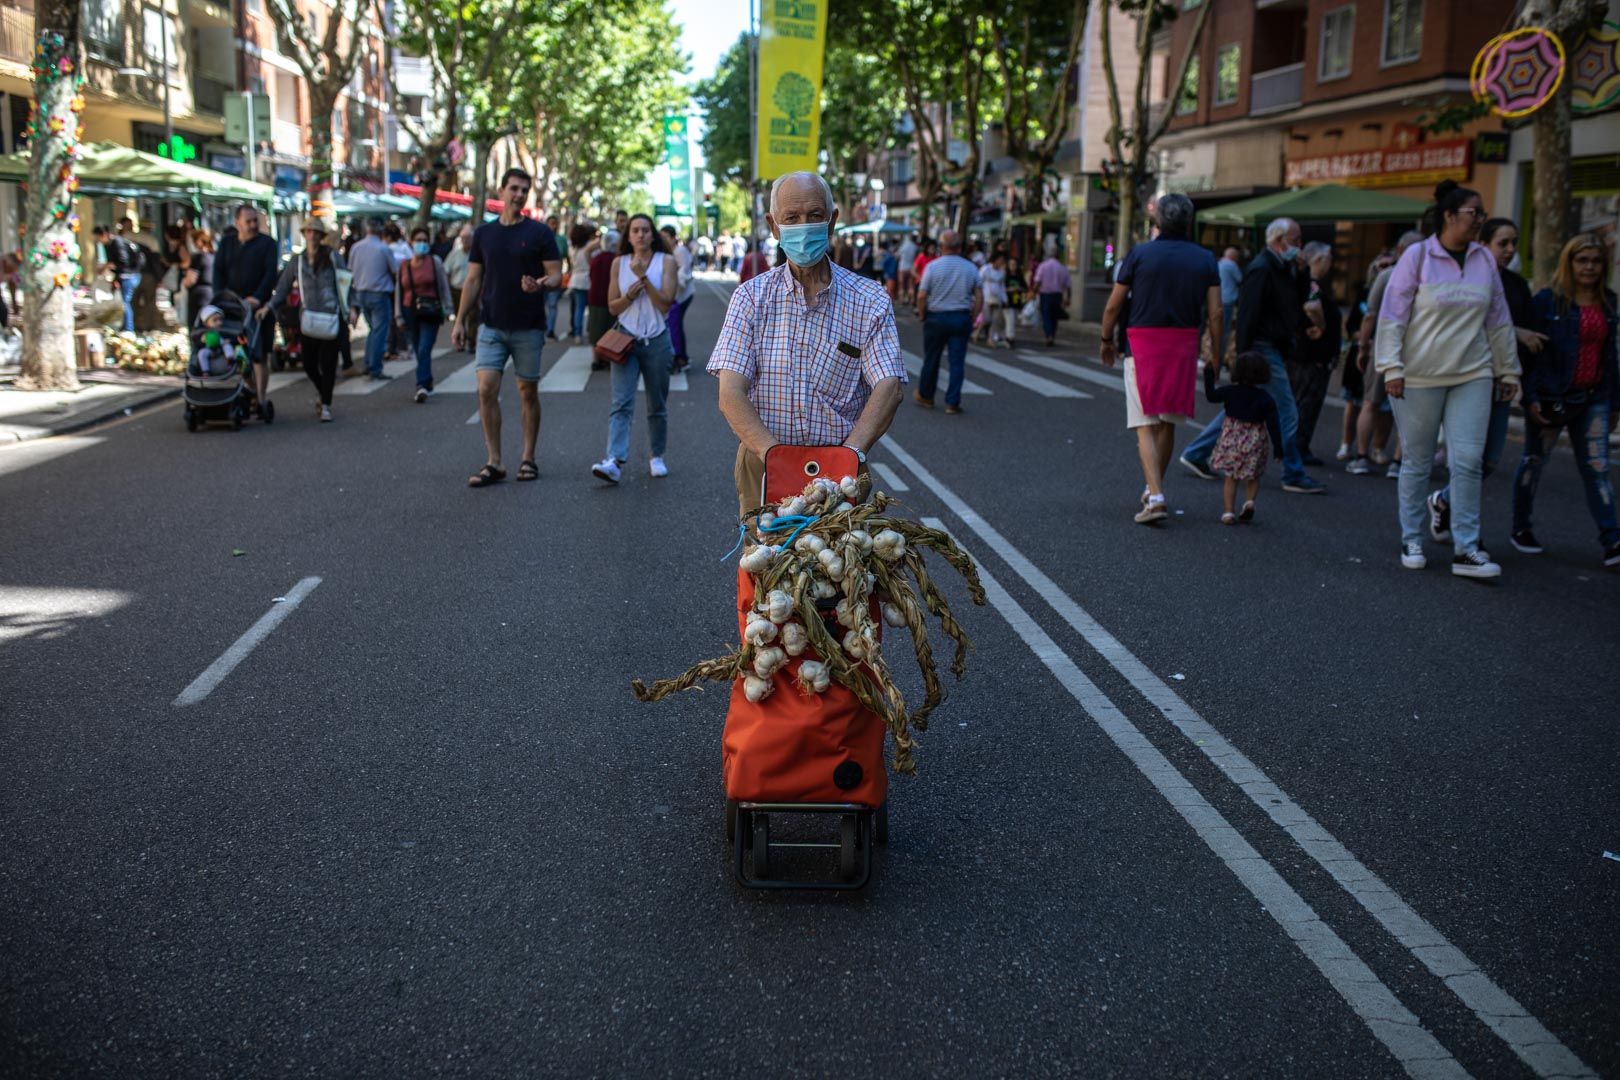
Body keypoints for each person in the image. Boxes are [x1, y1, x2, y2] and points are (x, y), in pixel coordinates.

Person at [708, 171, 907, 515]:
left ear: (832, 223)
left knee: (844, 566)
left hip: (841, 464)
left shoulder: (870, 299)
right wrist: (776, 456)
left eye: (815, 216)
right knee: (766, 563)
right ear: (774, 226)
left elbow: (889, 386)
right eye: (792, 218)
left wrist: (849, 455)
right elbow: (730, 393)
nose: (804, 226)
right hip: (765, 460)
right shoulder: (750, 299)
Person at [1375, 180, 1518, 579]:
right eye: (1475, 213)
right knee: (1418, 461)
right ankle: (1412, 537)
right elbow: (1392, 315)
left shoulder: (1484, 260)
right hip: (1418, 375)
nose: (1481, 221)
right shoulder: (1418, 257)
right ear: (1450, 216)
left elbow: (1499, 318)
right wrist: (1392, 367)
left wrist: (1507, 370)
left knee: (1468, 461)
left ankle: (1466, 548)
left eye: (1483, 214)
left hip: (1473, 372)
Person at [1098, 194, 1222, 523]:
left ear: (1158, 223)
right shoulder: (1205, 259)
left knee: (1144, 423)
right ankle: (1155, 487)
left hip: (1142, 341)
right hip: (1183, 343)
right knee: (1167, 421)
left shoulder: (1140, 254)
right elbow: (1216, 313)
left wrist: (1106, 338)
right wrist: (1217, 355)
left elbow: (1114, 304)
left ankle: (1155, 497)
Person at [1180, 217, 1326, 495]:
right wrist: (1244, 355)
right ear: (1279, 240)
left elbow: (1294, 303)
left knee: (1242, 405)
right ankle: (1293, 471)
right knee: (1286, 411)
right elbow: (1247, 314)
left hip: (1270, 346)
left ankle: (1197, 452)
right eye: (1295, 240)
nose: (1299, 246)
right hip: (1261, 347)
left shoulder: (1283, 267)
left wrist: (1304, 273)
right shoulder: (1262, 268)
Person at [1426, 217, 1546, 542]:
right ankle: (1468, 537)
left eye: (1513, 243)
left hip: (1501, 381)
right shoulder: (1467, 279)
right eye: (1502, 243)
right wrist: (1515, 333)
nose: (1509, 250)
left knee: (1490, 461)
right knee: (1468, 459)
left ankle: (1444, 500)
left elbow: (1528, 333)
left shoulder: (1517, 286)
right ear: (1484, 244)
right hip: (1467, 378)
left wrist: (1515, 373)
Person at [1510, 233, 1619, 565]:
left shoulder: (1609, 302)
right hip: (1551, 397)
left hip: (1594, 398)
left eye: (1595, 261)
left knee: (1597, 468)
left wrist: (1615, 402)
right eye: (1581, 260)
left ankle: (1612, 539)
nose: (1589, 267)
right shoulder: (1547, 300)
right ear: (1569, 263)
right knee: (1533, 461)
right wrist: (1529, 397)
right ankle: (1521, 528)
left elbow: (1610, 356)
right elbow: (1532, 355)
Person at [451, 167, 562, 488]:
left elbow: (556, 275)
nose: (518, 194)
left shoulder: (541, 233)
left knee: (527, 390)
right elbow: (473, 279)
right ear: (501, 191)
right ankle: (494, 461)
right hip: (491, 325)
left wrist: (541, 284)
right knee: (486, 388)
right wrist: (459, 321)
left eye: (524, 190)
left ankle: (528, 457)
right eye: (513, 188)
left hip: (528, 326)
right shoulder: (484, 234)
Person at [591, 215, 678, 484]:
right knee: (621, 403)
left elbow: (666, 304)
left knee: (657, 403)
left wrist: (645, 280)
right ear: (627, 236)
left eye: (645, 230)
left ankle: (657, 455)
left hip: (657, 339)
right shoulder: (618, 263)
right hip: (626, 340)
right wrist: (629, 294)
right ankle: (614, 460)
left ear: (653, 235)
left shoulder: (667, 262)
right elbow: (612, 307)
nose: (640, 235)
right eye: (635, 231)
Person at [1348, 233, 1422, 476]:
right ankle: (1398, 462)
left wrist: (1364, 346)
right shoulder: (1429, 278)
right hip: (1417, 349)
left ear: (1399, 250)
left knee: (1371, 402)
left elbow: (1370, 314)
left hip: (1386, 347)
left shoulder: (1387, 276)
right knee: (1409, 408)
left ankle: (1361, 456)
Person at [261, 218, 348, 423]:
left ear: (321, 236)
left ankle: (326, 404)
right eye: (309, 232)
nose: (312, 236)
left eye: (316, 232)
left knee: (329, 364)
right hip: (308, 318)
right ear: (305, 234)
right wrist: (269, 306)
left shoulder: (333, 258)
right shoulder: (297, 261)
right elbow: (282, 288)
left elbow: (345, 283)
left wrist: (351, 308)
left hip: (331, 315)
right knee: (308, 363)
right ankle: (323, 393)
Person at [213, 204, 280, 409]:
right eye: (248, 221)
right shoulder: (227, 244)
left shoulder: (267, 244)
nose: (252, 225)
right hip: (232, 308)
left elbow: (270, 275)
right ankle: (250, 388)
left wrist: (258, 298)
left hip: (258, 309)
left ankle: (260, 398)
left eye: (255, 221)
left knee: (260, 355)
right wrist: (220, 299)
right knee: (237, 353)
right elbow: (218, 272)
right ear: (237, 222)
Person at [1206, 351, 1284, 525]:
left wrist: (1209, 374)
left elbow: (1211, 396)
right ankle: (1249, 502)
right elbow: (1274, 424)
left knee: (1230, 476)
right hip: (1255, 439)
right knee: (1253, 475)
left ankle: (1228, 512)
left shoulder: (1230, 392)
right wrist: (1278, 448)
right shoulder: (1266, 399)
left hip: (1232, 437)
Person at [914, 230, 982, 415]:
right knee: (957, 362)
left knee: (931, 358)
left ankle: (926, 396)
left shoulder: (933, 267)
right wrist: (973, 316)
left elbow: (922, 295)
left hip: (936, 317)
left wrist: (922, 314)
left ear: (941, 247)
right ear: (960, 247)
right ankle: (952, 402)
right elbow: (978, 294)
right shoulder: (970, 268)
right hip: (961, 317)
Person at [1290, 242, 1342, 466]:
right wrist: (1321, 325)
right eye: (1329, 259)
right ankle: (1298, 447)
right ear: (1319, 260)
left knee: (1300, 401)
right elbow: (1312, 308)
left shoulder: (1305, 283)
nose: (1331, 264)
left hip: (1305, 354)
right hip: (1311, 356)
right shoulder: (1311, 285)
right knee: (1307, 402)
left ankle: (1296, 445)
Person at [395, 225, 453, 403]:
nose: (422, 244)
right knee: (419, 348)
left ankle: (421, 385)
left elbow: (443, 286)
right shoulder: (404, 266)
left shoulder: (435, 262)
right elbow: (399, 291)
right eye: (418, 240)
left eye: (425, 241)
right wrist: (398, 315)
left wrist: (448, 308)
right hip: (410, 311)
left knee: (424, 347)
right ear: (411, 243)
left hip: (431, 311)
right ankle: (427, 381)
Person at [344, 218, 397, 379]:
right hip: (379, 294)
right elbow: (395, 270)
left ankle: (369, 363)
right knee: (379, 331)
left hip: (361, 293)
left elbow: (350, 271)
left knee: (373, 330)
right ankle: (374, 367)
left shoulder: (356, 248)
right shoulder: (383, 249)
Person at [94, 224, 142, 332]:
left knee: (125, 302)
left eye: (98, 237)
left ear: (104, 234)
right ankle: (125, 326)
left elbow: (122, 261)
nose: (98, 241)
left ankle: (129, 329)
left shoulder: (117, 243)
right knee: (124, 302)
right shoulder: (110, 244)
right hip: (125, 275)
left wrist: (107, 266)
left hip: (129, 275)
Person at [661, 224, 696, 372]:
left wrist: (672, 286)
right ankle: (680, 357)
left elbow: (684, 271)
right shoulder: (672, 251)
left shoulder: (679, 250)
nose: (663, 240)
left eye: (665, 237)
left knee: (674, 326)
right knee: (675, 326)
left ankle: (679, 358)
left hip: (681, 295)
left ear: (673, 237)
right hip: (678, 295)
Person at [586, 229, 620, 368]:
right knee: (610, 329)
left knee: (595, 329)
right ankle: (607, 358)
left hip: (594, 298)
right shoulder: (616, 260)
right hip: (611, 298)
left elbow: (586, 253)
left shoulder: (596, 258)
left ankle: (595, 359)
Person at [444, 228, 476, 351]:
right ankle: (460, 340)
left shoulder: (476, 254)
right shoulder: (454, 255)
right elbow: (446, 271)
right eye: (464, 239)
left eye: (468, 239)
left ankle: (471, 342)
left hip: (472, 290)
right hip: (456, 290)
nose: (466, 241)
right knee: (458, 316)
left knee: (473, 317)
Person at [567, 222, 600, 345]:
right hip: (589, 280)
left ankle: (577, 334)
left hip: (575, 280)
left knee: (579, 308)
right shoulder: (590, 248)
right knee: (591, 309)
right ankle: (591, 332)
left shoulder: (572, 249)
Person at [1033, 248, 1071, 347]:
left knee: (1046, 315)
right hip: (1057, 295)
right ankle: (1052, 334)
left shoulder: (1043, 266)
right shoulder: (1063, 268)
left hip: (1045, 294)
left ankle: (1048, 335)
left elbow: (1038, 281)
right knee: (1054, 316)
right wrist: (1068, 298)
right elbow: (1068, 285)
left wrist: (1034, 291)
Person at [975, 251, 1010, 348]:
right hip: (986, 297)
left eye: (1003, 261)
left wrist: (1005, 299)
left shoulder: (1002, 272)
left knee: (995, 319)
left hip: (997, 297)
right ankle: (977, 332)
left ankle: (990, 339)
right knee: (987, 319)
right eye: (1000, 260)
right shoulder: (986, 269)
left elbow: (1002, 286)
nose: (1001, 262)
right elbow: (978, 282)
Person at [184, 228, 215, 327]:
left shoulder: (198, 257)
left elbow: (190, 280)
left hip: (198, 297)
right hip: (212, 294)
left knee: (196, 327)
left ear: (199, 241)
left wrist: (184, 283)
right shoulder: (215, 256)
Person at [1217, 246, 1243, 358]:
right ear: (1234, 257)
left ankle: (1218, 356)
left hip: (1219, 299)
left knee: (1219, 329)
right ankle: (1224, 356)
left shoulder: (1219, 264)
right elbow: (1240, 279)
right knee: (1226, 330)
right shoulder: (1232, 265)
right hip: (1229, 301)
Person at [1003, 256, 1027, 347]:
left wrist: (1019, 289)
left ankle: (1007, 337)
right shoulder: (1005, 276)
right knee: (1010, 320)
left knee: (1014, 320)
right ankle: (1010, 338)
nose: (1013, 266)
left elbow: (1025, 288)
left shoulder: (1019, 276)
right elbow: (1001, 288)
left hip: (1017, 300)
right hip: (1007, 301)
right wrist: (1009, 289)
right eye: (1011, 264)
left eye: (1014, 264)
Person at [896, 232, 919, 304]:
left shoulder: (903, 245)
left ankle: (902, 300)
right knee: (910, 285)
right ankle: (911, 300)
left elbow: (897, 256)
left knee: (901, 285)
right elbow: (917, 258)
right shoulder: (915, 247)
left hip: (902, 267)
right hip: (911, 268)